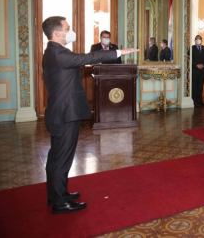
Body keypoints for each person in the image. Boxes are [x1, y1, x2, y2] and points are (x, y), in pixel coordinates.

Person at [42, 16, 138, 214]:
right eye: (68, 28)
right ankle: (60, 203)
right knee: (61, 158)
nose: (70, 31)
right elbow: (88, 58)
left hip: (62, 112)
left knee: (57, 157)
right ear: (58, 32)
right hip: (65, 113)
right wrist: (120, 52)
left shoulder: (54, 51)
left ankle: (57, 194)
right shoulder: (58, 53)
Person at [191, 35, 204, 106]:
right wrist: (196, 65)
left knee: (200, 86)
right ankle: (194, 100)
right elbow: (190, 58)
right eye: (196, 39)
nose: (198, 40)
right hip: (195, 70)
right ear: (194, 40)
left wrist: (203, 65)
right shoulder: (191, 48)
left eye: (199, 39)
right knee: (194, 86)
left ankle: (200, 100)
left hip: (203, 71)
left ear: (201, 40)